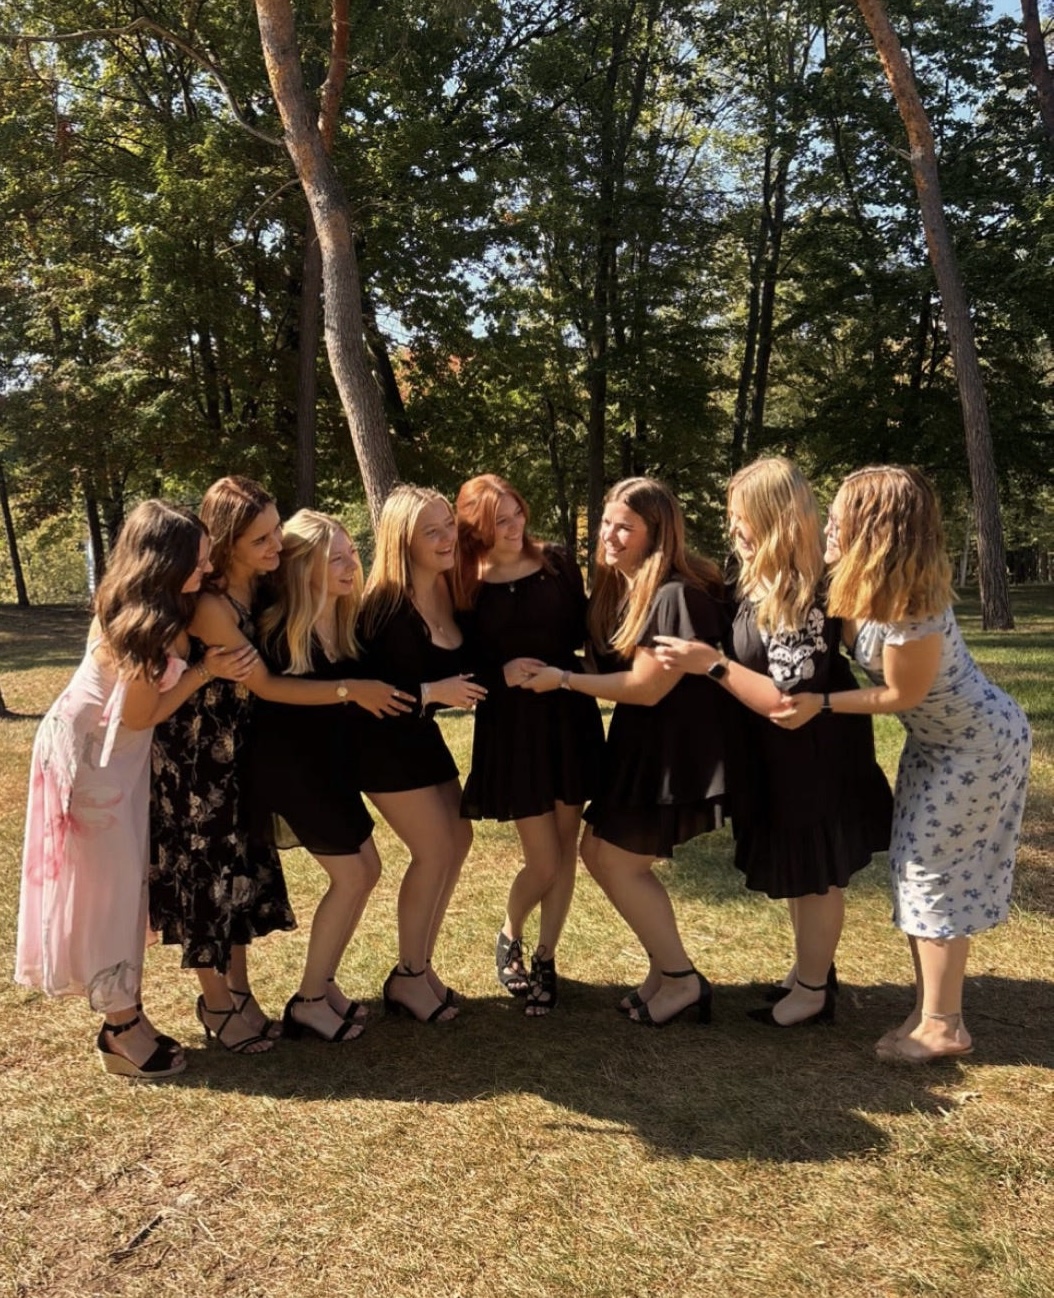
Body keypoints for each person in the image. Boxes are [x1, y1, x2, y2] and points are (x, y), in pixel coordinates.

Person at [772, 465, 1031, 1062]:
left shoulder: (913, 606)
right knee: (914, 866)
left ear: (875, 530)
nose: (829, 526)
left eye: (840, 517)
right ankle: (928, 1011)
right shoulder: (855, 583)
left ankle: (944, 1026)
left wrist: (820, 704)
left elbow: (899, 694)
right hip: (935, 744)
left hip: (976, 747)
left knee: (933, 873)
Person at [151, 477, 394, 1055]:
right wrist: (351, 690)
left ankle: (240, 993)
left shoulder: (258, 588)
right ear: (228, 542)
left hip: (240, 751)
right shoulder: (211, 606)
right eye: (260, 539)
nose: (275, 546)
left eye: (275, 532)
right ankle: (216, 1004)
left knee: (239, 878)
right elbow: (265, 683)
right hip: (198, 760)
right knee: (209, 883)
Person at [15, 501, 256, 1078]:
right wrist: (205, 672)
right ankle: (120, 1028)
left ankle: (126, 1015)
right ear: (164, 562)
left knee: (122, 888)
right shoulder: (148, 626)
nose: (206, 569)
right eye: (197, 561)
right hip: (94, 762)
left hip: (106, 753)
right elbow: (142, 714)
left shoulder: (140, 601)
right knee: (110, 892)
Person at [652, 457, 893, 1028]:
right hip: (776, 756)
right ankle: (809, 970)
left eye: (743, 516)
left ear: (773, 518)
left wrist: (711, 664)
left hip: (809, 754)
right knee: (800, 869)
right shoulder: (758, 578)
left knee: (815, 873)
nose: (734, 527)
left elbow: (787, 703)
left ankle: (813, 991)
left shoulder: (800, 591)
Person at [524, 477, 732, 1027]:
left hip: (674, 751)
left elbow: (647, 687)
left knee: (616, 860)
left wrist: (563, 680)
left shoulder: (674, 595)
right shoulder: (628, 590)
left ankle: (682, 979)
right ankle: (665, 972)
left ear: (655, 534)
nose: (610, 536)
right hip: (640, 745)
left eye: (625, 527)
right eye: (607, 523)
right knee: (598, 853)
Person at [249, 510, 415, 1042]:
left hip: (330, 768)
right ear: (304, 568)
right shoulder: (278, 627)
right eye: (335, 558)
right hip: (292, 771)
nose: (351, 566)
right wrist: (350, 691)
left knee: (367, 870)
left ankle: (322, 985)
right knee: (352, 876)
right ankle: (308, 1001)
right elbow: (275, 692)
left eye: (351, 554)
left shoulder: (343, 620)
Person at [455, 474, 604, 1015]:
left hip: (568, 717)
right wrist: (501, 674)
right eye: (499, 520)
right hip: (513, 729)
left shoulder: (558, 563)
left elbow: (587, 633)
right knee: (542, 861)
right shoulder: (465, 584)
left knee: (565, 851)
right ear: (476, 528)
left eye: (516, 512)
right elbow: (459, 665)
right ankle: (510, 931)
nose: (514, 525)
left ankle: (546, 956)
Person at [357, 485, 486, 1023]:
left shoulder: (451, 591)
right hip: (380, 742)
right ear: (402, 541)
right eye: (431, 532)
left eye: (448, 525)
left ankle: (420, 966)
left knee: (459, 839)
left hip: (420, 737)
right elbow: (370, 692)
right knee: (433, 849)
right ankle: (408, 977)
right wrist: (434, 692)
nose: (446, 537)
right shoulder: (384, 606)